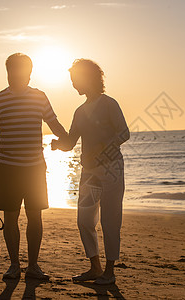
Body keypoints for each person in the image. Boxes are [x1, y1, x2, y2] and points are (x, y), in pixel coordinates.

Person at [0, 53, 67, 280]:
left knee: (35, 217)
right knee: (11, 219)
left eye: (18, 72)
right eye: (10, 72)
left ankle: (34, 266)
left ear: (28, 73)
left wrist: (68, 139)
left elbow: (54, 123)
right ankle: (15, 265)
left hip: (35, 168)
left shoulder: (39, 97)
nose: (13, 76)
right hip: (8, 169)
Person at [52, 59, 130, 285]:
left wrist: (103, 150)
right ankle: (94, 267)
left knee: (110, 221)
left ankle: (109, 271)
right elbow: (70, 142)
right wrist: (58, 144)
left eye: (75, 80)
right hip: (89, 172)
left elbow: (124, 133)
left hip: (112, 169)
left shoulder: (109, 104)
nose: (73, 85)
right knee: (84, 220)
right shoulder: (79, 111)